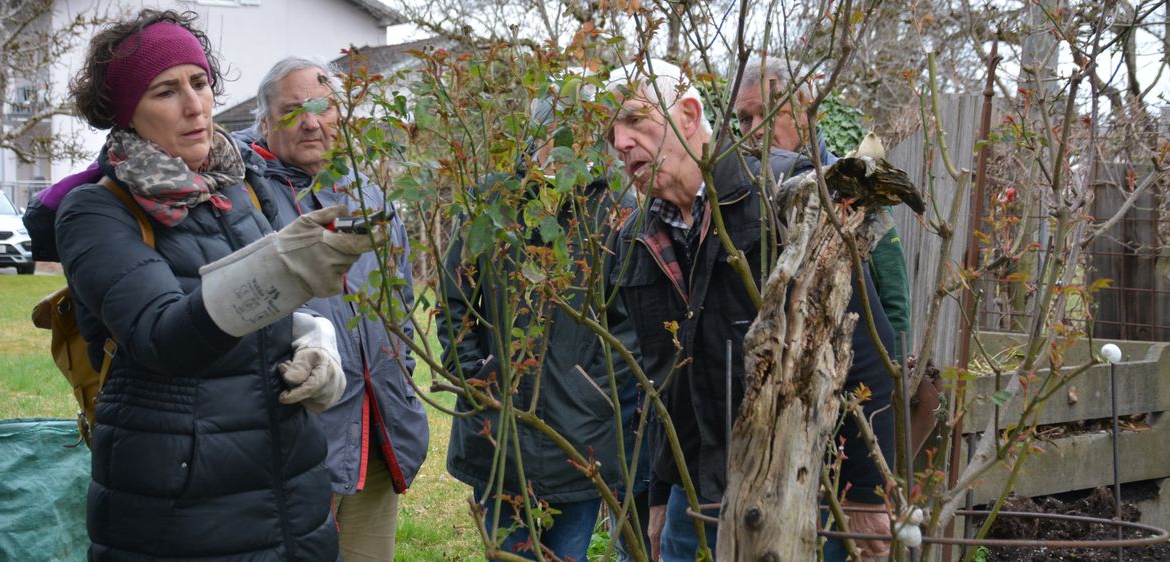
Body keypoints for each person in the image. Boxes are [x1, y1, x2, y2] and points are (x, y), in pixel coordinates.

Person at [47, 10, 374, 560]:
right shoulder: (97, 212)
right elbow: (163, 336)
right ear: (128, 112)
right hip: (181, 509)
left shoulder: (242, 187)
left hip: (291, 492)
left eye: (199, 83)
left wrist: (313, 337)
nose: (195, 104)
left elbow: (263, 314)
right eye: (165, 91)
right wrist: (282, 270)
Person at [603, 59, 896, 562]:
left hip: (792, 487)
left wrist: (867, 491)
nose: (620, 142)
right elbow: (664, 380)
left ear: (690, 115)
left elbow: (866, 345)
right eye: (612, 131)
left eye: (634, 120)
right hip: (691, 496)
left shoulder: (782, 198)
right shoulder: (635, 239)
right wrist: (658, 494)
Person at [232, 57, 429, 562]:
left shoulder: (369, 196)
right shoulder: (243, 197)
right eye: (294, 110)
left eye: (323, 108)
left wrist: (401, 378)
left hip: (377, 429)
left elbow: (399, 303)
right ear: (265, 120)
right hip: (297, 440)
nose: (312, 122)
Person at [437, 96, 645, 561]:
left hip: (582, 434)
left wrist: (593, 388)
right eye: (556, 135)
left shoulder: (617, 209)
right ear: (535, 137)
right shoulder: (489, 203)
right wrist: (478, 377)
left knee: (568, 555)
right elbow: (455, 305)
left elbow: (631, 319)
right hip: (498, 429)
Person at [733, 56, 911, 359]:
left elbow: (893, 300)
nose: (757, 130)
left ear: (805, 109)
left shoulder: (852, 187)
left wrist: (890, 380)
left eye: (769, 113)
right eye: (745, 119)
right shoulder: (740, 197)